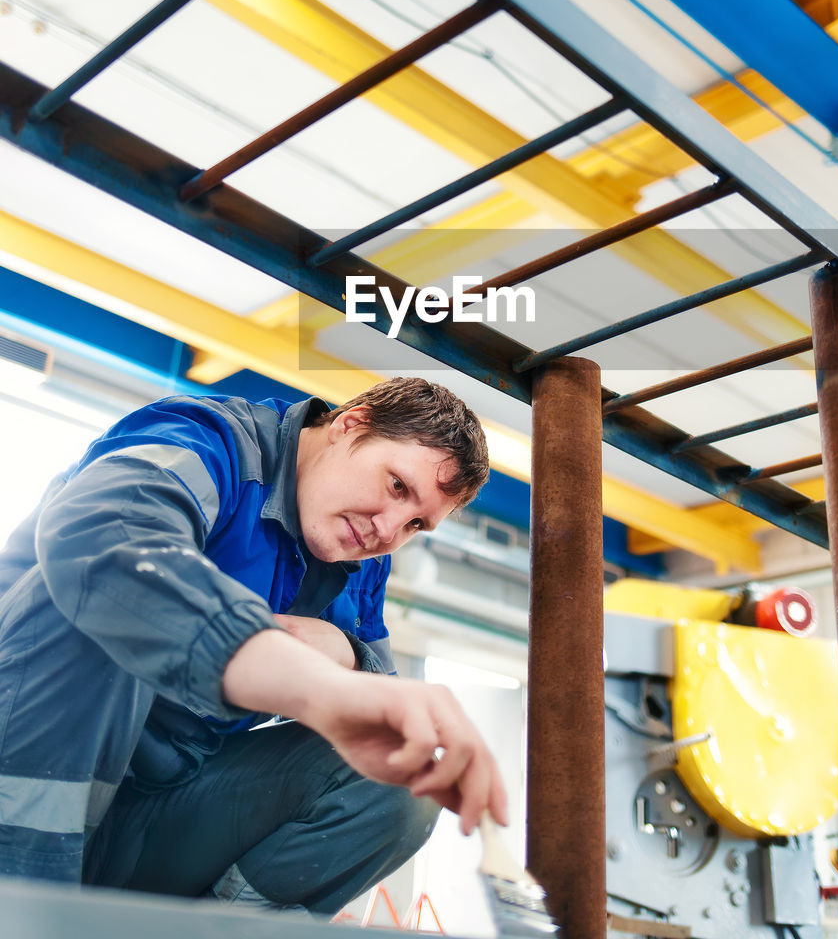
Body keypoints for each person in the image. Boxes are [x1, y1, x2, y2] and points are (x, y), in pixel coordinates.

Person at [0, 377, 507, 912]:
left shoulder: (361, 556)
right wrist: (312, 685)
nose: (388, 530)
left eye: (415, 524)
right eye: (397, 486)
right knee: (103, 595)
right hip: (30, 780)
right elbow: (109, 542)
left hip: (155, 806)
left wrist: (346, 656)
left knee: (396, 784)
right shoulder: (206, 440)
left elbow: (377, 676)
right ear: (348, 424)